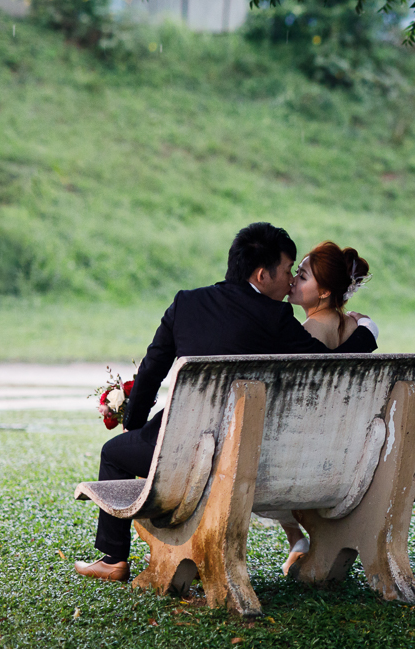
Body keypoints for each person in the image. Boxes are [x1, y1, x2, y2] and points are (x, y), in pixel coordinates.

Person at [73, 223, 378, 583]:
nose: (290, 281)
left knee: (114, 452)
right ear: (262, 275)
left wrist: (135, 429)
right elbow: (330, 368)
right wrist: (366, 333)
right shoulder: (277, 318)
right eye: (286, 271)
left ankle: (112, 559)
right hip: (245, 454)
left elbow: (151, 371)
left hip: (177, 451)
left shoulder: (185, 303)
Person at [264, 240, 377, 573]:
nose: (293, 282)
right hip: (344, 451)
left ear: (325, 292)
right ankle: (296, 540)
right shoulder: (355, 326)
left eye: (302, 277)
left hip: (305, 459)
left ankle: (295, 537)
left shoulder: (309, 331)